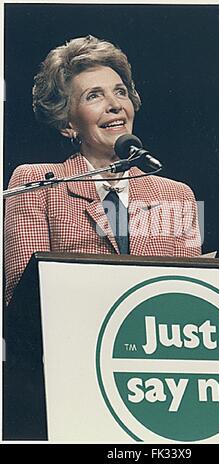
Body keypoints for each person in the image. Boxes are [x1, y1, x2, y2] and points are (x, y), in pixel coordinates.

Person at [4, 35, 202, 305]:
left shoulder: (177, 195)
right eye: (94, 96)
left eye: (120, 92)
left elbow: (192, 297)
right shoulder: (38, 184)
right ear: (67, 123)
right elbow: (25, 297)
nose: (115, 105)